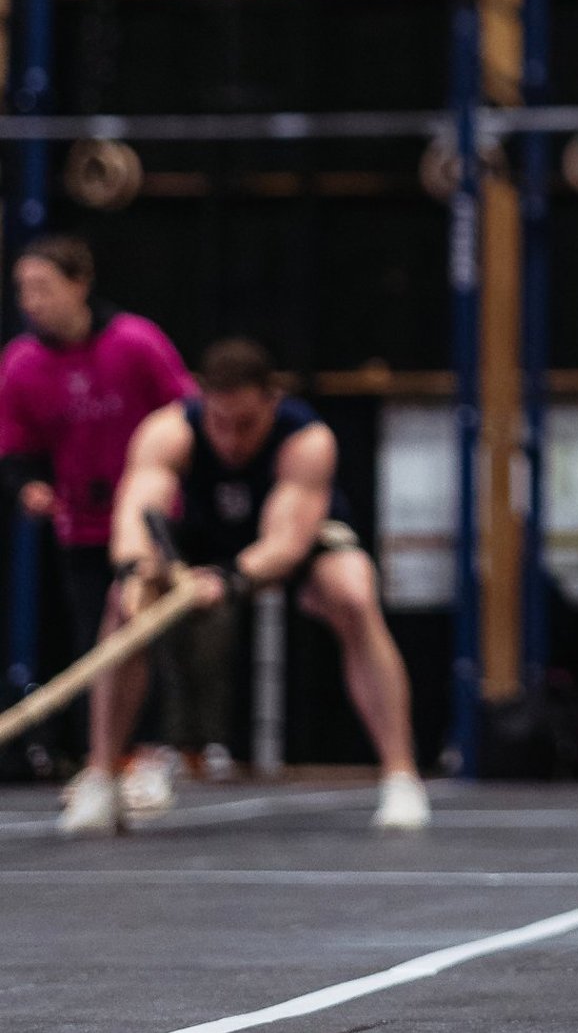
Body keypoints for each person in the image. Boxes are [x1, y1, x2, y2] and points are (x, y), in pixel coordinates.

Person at [61, 338, 431, 835]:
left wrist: (229, 580)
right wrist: (135, 573)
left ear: (270, 401)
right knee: (120, 607)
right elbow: (136, 513)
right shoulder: (168, 431)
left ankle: (401, 775)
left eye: (246, 425)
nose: (231, 441)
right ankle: (102, 778)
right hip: (200, 545)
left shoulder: (306, 439)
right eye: (220, 424)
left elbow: (285, 541)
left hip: (286, 545)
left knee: (353, 593)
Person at [0, 237, 194, 707]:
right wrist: (30, 488)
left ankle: (160, 751)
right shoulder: (20, 365)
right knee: (99, 639)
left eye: (43, 287)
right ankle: (108, 757)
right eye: (23, 290)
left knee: (153, 631)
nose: (32, 302)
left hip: (154, 519)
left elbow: (188, 417)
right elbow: (15, 448)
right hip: (81, 525)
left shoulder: (136, 342)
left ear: (80, 283)